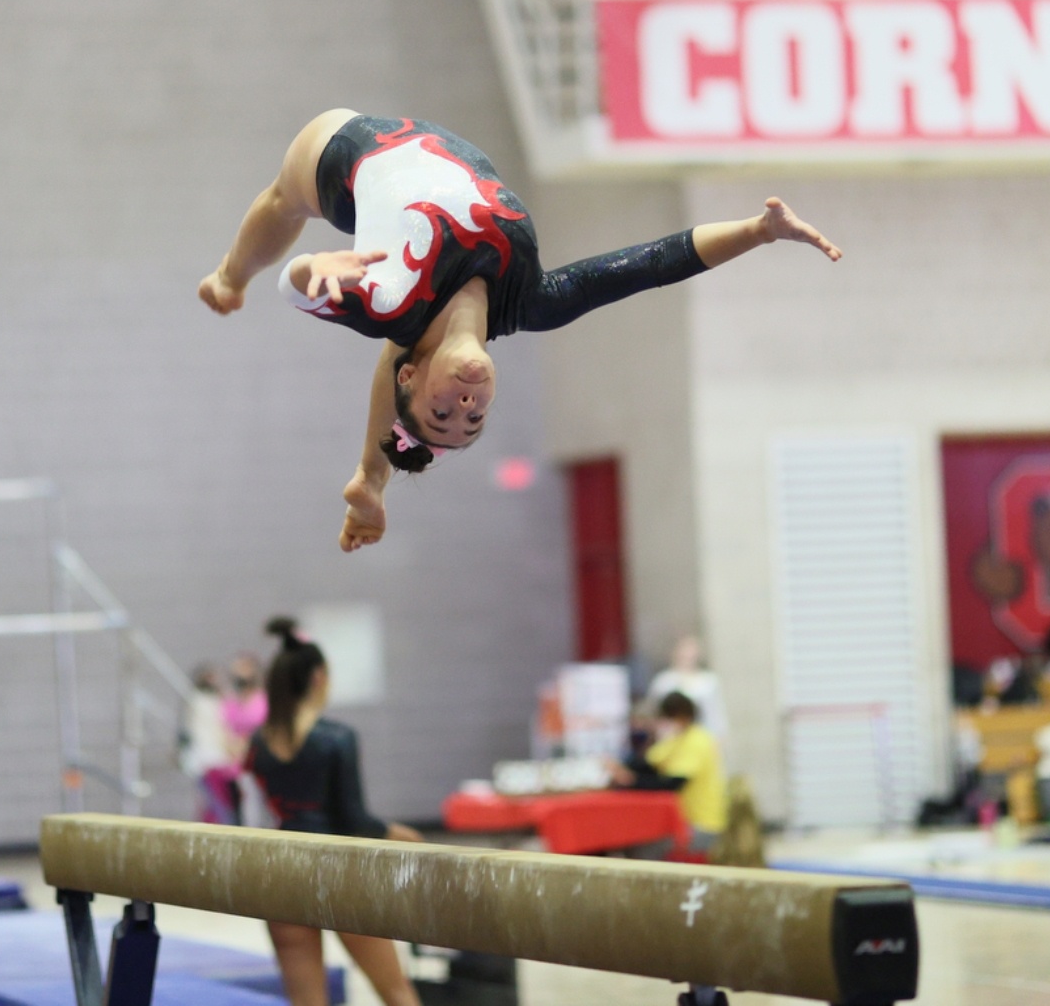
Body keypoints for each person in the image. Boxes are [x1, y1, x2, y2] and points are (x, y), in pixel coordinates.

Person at [196, 109, 842, 552]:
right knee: (412, 342)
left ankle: (226, 277)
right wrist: (758, 233)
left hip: (349, 156)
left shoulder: (386, 301)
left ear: (415, 380)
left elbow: (297, 286)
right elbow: (653, 264)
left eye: (445, 408)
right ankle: (372, 476)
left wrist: (314, 266)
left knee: (286, 202)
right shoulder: (534, 302)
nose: (468, 401)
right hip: (437, 152)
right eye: (473, 418)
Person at [245, 618, 423, 1006]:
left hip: (282, 867)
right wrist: (400, 834)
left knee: (307, 1002)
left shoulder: (259, 741)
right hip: (337, 869)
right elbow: (353, 821)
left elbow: (284, 805)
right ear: (320, 677)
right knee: (396, 991)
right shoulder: (336, 738)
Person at [612, 692, 728, 857]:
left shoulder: (698, 740)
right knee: (629, 837)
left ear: (682, 716)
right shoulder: (676, 738)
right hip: (679, 821)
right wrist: (619, 767)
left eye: (668, 718)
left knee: (644, 847)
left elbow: (672, 784)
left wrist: (631, 780)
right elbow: (647, 763)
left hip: (702, 825)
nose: (665, 723)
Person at [181, 663, 238, 823]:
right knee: (215, 804)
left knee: (221, 802)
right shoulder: (199, 701)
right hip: (207, 759)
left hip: (219, 758)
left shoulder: (218, 701)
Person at [642, 634, 726, 740]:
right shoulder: (663, 681)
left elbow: (715, 716)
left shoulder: (708, 682)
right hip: (669, 739)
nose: (688, 656)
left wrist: (717, 740)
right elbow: (653, 712)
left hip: (699, 739)